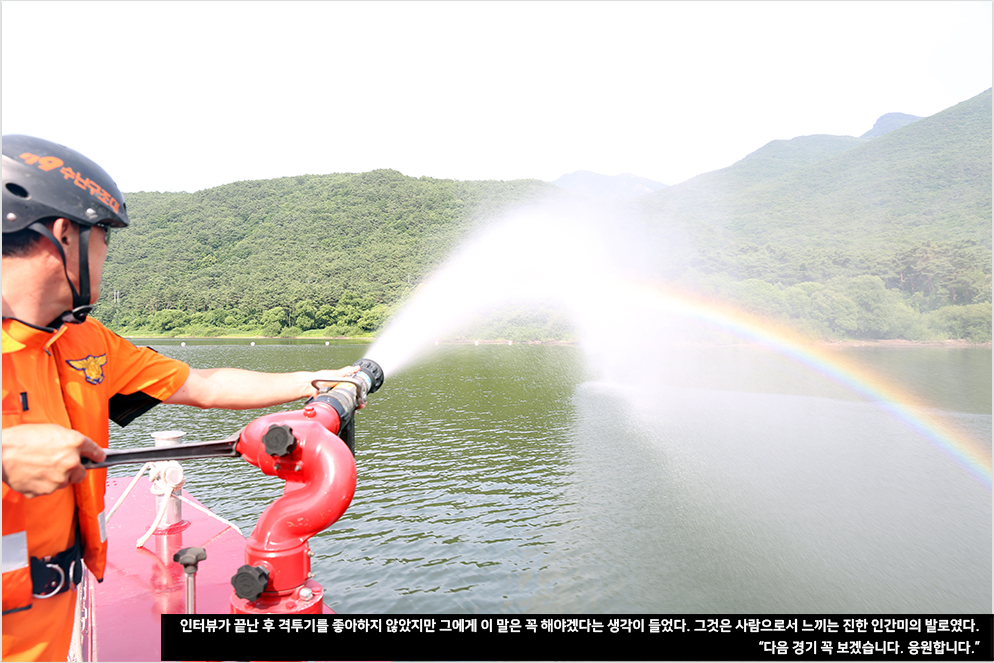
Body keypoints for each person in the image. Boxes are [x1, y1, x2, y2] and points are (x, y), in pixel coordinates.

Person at [1, 134, 358, 661]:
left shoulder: (85, 343)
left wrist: (315, 380)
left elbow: (204, 385)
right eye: (103, 236)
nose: (105, 253)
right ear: (64, 234)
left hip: (47, 624)